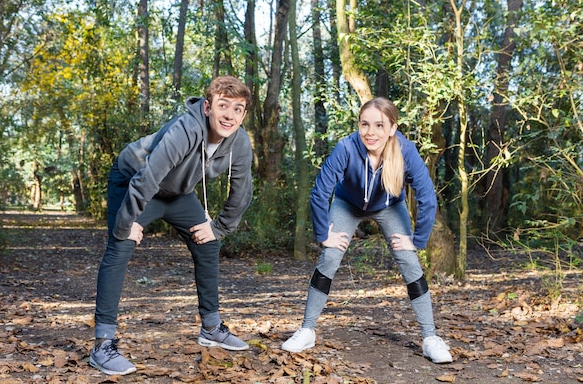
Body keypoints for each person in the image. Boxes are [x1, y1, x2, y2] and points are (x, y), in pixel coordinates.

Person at [89, 76, 253, 375]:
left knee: (208, 242)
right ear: (207, 107)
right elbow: (147, 178)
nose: (230, 115)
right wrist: (126, 224)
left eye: (238, 109)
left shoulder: (239, 141)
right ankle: (103, 344)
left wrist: (218, 227)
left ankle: (211, 327)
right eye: (223, 106)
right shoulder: (186, 129)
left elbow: (242, 191)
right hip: (134, 180)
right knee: (121, 246)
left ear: (243, 114)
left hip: (177, 193)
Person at [281, 97, 453, 364]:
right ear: (358, 125)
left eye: (378, 125)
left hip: (389, 206)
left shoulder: (406, 151)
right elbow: (320, 192)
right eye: (364, 124)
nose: (370, 132)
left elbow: (427, 196)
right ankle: (306, 330)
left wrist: (417, 241)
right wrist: (323, 234)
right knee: (329, 256)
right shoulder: (346, 148)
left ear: (392, 128)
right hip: (347, 204)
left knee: (409, 261)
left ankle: (430, 338)